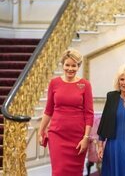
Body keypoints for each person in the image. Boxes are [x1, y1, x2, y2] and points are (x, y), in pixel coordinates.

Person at [38, 48, 94, 176]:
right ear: (62, 65)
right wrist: (41, 130)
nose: (70, 69)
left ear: (78, 66)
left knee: (75, 172)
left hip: (78, 137)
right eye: (67, 65)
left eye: (73, 65)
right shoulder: (54, 83)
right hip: (57, 134)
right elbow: (48, 110)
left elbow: (89, 114)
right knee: (58, 171)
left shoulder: (85, 85)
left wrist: (86, 138)